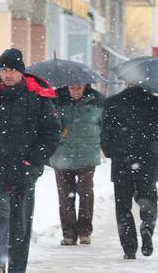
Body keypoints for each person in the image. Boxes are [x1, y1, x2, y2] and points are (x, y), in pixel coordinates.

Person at [0, 48, 61, 273]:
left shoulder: (37, 97)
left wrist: (33, 159)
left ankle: (16, 269)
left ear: (22, 72)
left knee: (20, 226)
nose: (8, 74)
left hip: (24, 172)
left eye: (13, 70)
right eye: (4, 70)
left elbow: (52, 133)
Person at [101, 85, 158, 260]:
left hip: (121, 163)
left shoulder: (112, 103)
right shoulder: (155, 103)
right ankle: (147, 226)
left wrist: (112, 152)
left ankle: (129, 248)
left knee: (123, 206)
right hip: (147, 162)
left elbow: (105, 136)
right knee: (148, 199)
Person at [49, 84, 104, 246]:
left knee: (85, 192)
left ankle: (85, 232)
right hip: (62, 155)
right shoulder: (56, 100)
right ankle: (69, 234)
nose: (76, 91)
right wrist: (59, 129)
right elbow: (49, 123)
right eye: (72, 88)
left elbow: (104, 125)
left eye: (79, 87)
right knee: (65, 196)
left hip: (87, 155)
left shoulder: (97, 101)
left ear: (86, 86)